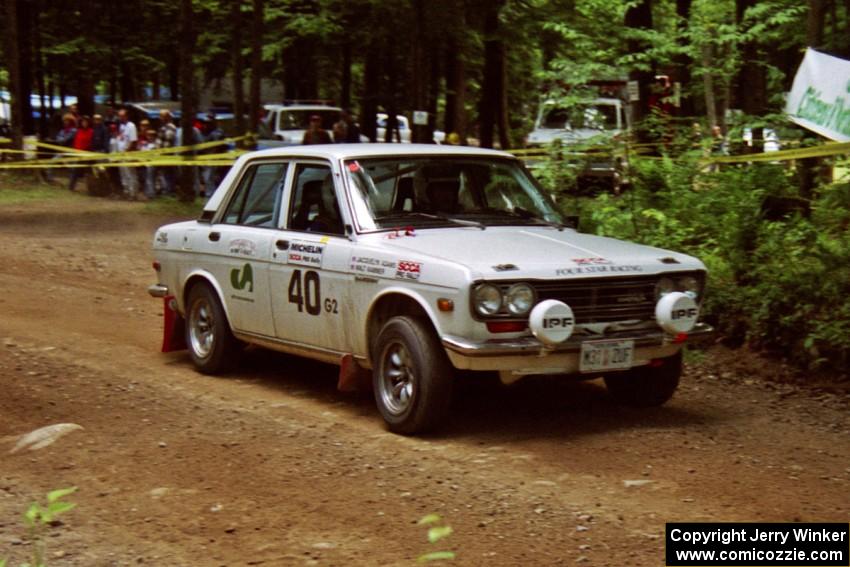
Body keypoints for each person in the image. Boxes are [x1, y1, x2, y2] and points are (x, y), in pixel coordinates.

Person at [201, 113, 225, 198]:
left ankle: (211, 195)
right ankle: (210, 194)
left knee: (211, 178)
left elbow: (217, 146)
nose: (206, 125)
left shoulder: (217, 133)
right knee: (207, 178)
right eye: (206, 123)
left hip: (214, 159)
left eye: (209, 123)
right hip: (207, 159)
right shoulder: (206, 133)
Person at [116, 108, 139, 199]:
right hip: (120, 153)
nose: (120, 117)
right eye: (119, 116)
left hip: (128, 153)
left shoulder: (131, 126)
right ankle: (126, 191)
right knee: (123, 174)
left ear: (126, 116)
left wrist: (127, 151)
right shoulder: (121, 126)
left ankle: (133, 193)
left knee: (130, 173)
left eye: (122, 116)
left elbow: (133, 141)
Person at [68, 115, 93, 192]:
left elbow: (91, 142)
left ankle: (91, 188)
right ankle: (71, 186)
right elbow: (76, 142)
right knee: (75, 170)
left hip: (87, 154)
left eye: (86, 122)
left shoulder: (91, 131)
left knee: (89, 172)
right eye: (83, 122)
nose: (84, 123)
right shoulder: (78, 131)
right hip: (78, 154)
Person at [156, 109, 178, 195]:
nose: (160, 118)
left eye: (162, 116)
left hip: (167, 154)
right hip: (161, 154)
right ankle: (166, 190)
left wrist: (162, 152)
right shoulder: (163, 127)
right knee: (164, 173)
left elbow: (168, 140)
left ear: (167, 117)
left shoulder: (170, 127)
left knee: (169, 174)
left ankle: (170, 191)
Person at [139, 129, 159, 200]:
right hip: (146, 163)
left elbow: (156, 154)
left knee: (151, 179)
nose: (149, 137)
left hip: (152, 163)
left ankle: (151, 195)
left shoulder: (155, 144)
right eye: (148, 135)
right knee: (148, 179)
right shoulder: (147, 144)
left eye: (151, 135)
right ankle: (149, 193)